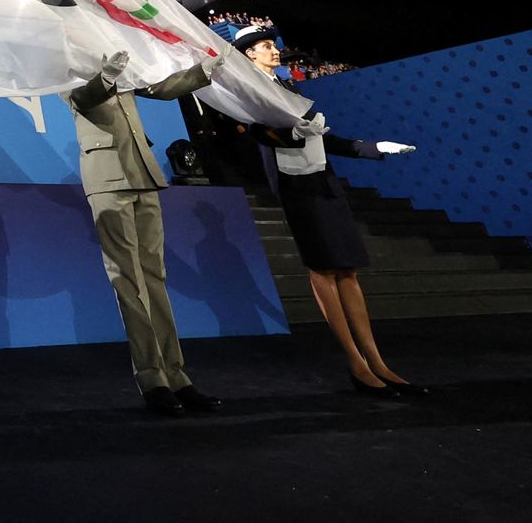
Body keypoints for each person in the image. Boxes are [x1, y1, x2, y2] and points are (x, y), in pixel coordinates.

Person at [233, 26, 422, 398]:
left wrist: (375, 147)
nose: (275, 50)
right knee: (322, 268)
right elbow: (256, 131)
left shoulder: (288, 87)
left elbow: (321, 136)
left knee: (347, 268)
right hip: (295, 184)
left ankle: (376, 360)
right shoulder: (247, 89)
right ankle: (355, 361)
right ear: (249, 54)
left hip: (322, 177)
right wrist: (294, 135)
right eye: (266, 46)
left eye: (274, 45)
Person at [64, 49, 227, 415]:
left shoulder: (122, 61)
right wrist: (105, 76)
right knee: (128, 280)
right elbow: (82, 98)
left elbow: (159, 87)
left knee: (155, 277)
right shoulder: (68, 64)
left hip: (143, 173)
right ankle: (152, 379)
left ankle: (178, 376)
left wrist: (202, 71)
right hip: (107, 178)